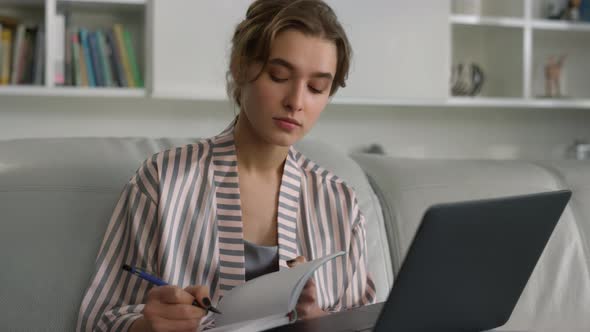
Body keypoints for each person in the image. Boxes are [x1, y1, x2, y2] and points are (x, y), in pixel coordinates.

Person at [76, 0, 376, 331]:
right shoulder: (162, 181)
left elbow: (368, 322)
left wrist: (320, 324)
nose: (297, 101)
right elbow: (98, 320)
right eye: (279, 76)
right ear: (240, 66)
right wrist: (146, 327)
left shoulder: (341, 205)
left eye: (317, 88)